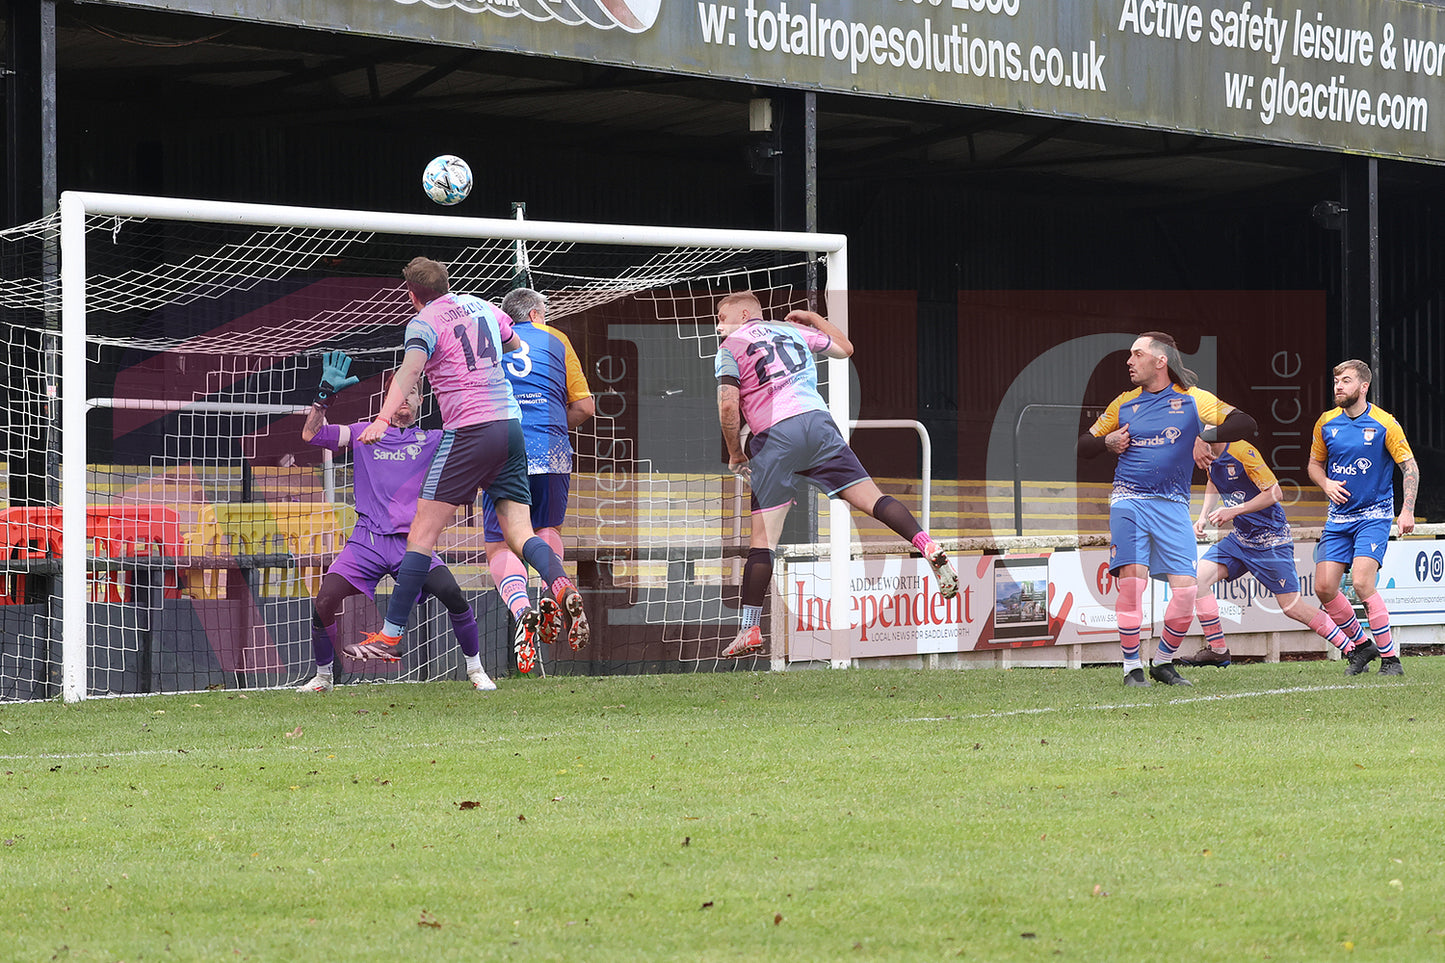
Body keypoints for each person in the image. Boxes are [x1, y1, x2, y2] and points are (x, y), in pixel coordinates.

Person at [354, 257, 588, 660]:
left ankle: (391, 635)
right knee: (520, 530)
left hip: (470, 430)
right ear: (449, 283)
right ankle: (561, 584)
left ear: (412, 295)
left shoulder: (424, 321)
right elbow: (515, 343)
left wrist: (381, 417)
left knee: (422, 535)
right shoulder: (482, 305)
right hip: (510, 426)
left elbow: (409, 371)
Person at [714, 292, 958, 660]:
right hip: (819, 424)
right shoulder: (791, 333)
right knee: (872, 498)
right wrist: (814, 318)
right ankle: (926, 544)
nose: (718, 325)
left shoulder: (730, 347)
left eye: (721, 316)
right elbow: (845, 348)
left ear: (744, 313)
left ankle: (749, 628)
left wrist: (735, 452)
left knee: (763, 540)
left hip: (775, 436)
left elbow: (728, 404)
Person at [295, 352, 495, 693]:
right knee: (325, 600)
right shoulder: (363, 434)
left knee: (453, 595)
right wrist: (323, 397)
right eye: (398, 393)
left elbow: (474, 441)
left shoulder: (432, 440)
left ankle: (476, 671)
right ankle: (323, 678)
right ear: (387, 400)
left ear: (419, 401)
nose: (405, 399)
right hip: (367, 542)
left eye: (412, 392)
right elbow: (311, 436)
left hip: (413, 544)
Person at [1078, 332, 1257, 687]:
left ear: (1160, 361)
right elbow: (1084, 445)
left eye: (1137, 354)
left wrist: (1201, 437)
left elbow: (1246, 424)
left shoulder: (1193, 400)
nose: (1129, 361)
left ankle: (1162, 663)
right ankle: (1131, 668)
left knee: (1187, 590)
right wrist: (1106, 442)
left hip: (1174, 505)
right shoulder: (1123, 404)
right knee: (1133, 587)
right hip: (1129, 501)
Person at [482, 287, 595, 674]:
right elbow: (584, 407)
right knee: (546, 527)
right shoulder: (557, 339)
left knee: (500, 543)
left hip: (503, 448)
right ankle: (554, 589)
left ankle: (522, 608)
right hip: (552, 449)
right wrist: (550, 426)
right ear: (533, 314)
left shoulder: (491, 340)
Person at [1173, 439, 1351, 666]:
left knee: (1292, 608)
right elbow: (1213, 481)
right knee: (1198, 580)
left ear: (1207, 439)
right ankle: (1218, 651)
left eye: (1198, 455)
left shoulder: (1243, 452)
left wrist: (1233, 510)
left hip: (1271, 540)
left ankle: (1351, 647)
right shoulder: (1210, 457)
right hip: (1240, 539)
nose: (1199, 462)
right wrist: (1201, 517)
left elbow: (1275, 493)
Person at [1308, 360, 1419, 677]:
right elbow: (1314, 465)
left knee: (1360, 582)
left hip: (1374, 516)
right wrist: (1325, 482)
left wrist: (1407, 509)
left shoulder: (1385, 423)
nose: (1338, 387)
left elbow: (1409, 467)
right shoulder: (1326, 423)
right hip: (1338, 519)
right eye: (1335, 381)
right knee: (1325, 588)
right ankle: (1362, 646)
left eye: (1345, 381)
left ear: (1364, 386)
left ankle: (1390, 660)